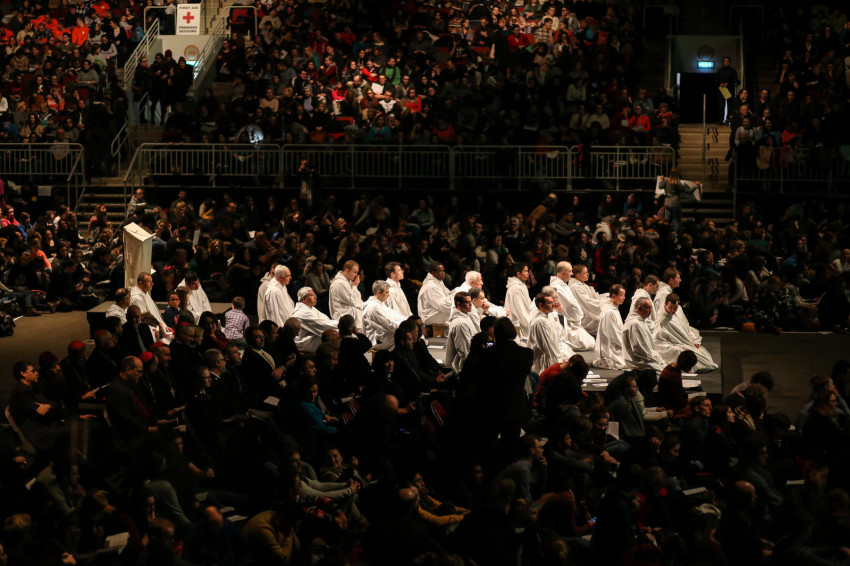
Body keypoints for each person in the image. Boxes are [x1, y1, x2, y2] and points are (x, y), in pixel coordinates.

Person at [653, 293, 718, 372]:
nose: (673, 310)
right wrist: (674, 348)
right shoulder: (661, 320)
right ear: (665, 304)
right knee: (702, 362)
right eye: (670, 307)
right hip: (677, 346)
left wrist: (693, 339)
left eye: (675, 308)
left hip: (687, 342)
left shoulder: (679, 310)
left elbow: (686, 325)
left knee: (706, 360)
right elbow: (657, 341)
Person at [549, 261, 595, 351]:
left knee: (591, 342)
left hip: (573, 320)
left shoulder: (563, 285)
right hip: (565, 323)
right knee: (588, 343)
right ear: (562, 273)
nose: (572, 274)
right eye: (570, 271)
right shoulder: (557, 287)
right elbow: (569, 307)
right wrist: (577, 316)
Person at [528, 292, 575, 374]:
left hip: (551, 357)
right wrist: (558, 362)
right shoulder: (540, 322)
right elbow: (548, 346)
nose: (553, 305)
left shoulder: (546, 318)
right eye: (549, 303)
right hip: (545, 361)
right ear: (541, 305)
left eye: (552, 302)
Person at [654, 268, 703, 345]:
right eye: (678, 278)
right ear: (671, 280)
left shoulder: (666, 292)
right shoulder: (664, 294)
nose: (680, 280)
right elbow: (663, 314)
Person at [623, 297, 666, 372]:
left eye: (651, 308)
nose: (650, 310)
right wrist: (652, 358)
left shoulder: (641, 321)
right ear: (639, 308)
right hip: (638, 361)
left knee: (665, 367)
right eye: (647, 308)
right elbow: (638, 349)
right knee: (661, 372)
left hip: (646, 356)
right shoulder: (634, 324)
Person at [363, 280, 406, 350]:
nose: (388, 295)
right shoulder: (372, 308)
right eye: (386, 292)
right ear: (379, 292)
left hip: (383, 335)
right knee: (405, 335)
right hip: (376, 340)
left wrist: (406, 320)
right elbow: (389, 325)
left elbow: (395, 315)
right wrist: (405, 325)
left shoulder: (381, 304)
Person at [293, 287, 339, 353]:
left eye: (315, 295)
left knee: (336, 333)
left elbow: (326, 319)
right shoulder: (301, 312)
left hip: (313, 338)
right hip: (306, 343)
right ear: (304, 299)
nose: (315, 297)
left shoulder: (311, 308)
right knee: (334, 335)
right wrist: (341, 324)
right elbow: (322, 325)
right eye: (312, 295)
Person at [593, 285, 627, 369]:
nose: (624, 298)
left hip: (616, 343)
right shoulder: (609, 312)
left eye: (624, 295)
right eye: (621, 295)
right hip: (610, 348)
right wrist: (626, 344)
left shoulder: (614, 309)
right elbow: (613, 335)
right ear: (614, 296)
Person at [130, 272, 172, 341]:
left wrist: (164, 326)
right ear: (140, 283)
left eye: (151, 281)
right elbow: (144, 319)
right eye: (149, 282)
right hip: (151, 330)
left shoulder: (145, 293)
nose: (152, 284)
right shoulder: (137, 298)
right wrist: (159, 329)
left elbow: (156, 314)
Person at [657, 168, 700, 234]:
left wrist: (661, 180)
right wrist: (695, 186)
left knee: (667, 220)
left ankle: (666, 233)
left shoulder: (666, 181)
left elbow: (660, 186)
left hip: (667, 203)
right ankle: (676, 235)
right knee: (677, 221)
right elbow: (688, 191)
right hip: (675, 203)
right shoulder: (678, 183)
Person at [568, 264, 606, 335]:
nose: (588, 274)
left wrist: (607, 297)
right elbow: (587, 303)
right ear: (578, 276)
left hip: (588, 311)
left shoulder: (583, 284)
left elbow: (595, 296)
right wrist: (604, 303)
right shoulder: (575, 287)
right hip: (583, 317)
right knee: (606, 319)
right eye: (585, 273)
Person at [445, 292, 477, 373]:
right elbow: (464, 351)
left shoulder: (465, 317)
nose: (471, 305)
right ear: (459, 304)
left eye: (471, 302)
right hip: (462, 369)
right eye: (467, 302)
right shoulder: (460, 323)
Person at [329, 260, 363, 329]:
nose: (356, 275)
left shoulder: (347, 281)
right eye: (354, 272)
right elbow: (354, 301)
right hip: (344, 321)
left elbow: (358, 300)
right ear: (347, 271)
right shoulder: (339, 283)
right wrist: (355, 286)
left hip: (351, 319)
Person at [505, 262, 533, 341]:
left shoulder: (522, 285)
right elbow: (520, 310)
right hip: (519, 323)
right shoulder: (515, 288)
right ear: (518, 274)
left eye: (528, 271)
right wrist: (529, 324)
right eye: (525, 271)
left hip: (526, 318)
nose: (528, 273)